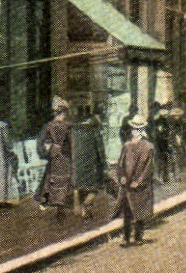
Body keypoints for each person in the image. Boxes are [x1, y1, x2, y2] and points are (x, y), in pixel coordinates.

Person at [112, 114, 155, 246]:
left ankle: (138, 237)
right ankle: (125, 238)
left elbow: (149, 168)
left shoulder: (148, 147)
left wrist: (139, 181)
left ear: (142, 131)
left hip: (140, 185)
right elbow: (121, 164)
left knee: (139, 212)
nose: (135, 132)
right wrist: (122, 177)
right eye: (133, 129)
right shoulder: (127, 146)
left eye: (138, 129)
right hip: (127, 185)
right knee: (127, 213)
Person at [35, 97, 75, 215]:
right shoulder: (68, 127)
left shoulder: (48, 126)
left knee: (51, 177)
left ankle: (47, 200)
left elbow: (39, 143)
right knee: (65, 178)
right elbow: (73, 143)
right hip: (66, 156)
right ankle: (61, 202)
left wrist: (45, 153)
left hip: (53, 155)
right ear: (64, 112)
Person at [72, 102, 108, 217]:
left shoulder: (73, 132)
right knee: (95, 189)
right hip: (91, 166)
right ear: (90, 118)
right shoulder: (94, 132)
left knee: (79, 187)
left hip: (76, 165)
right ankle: (85, 207)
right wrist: (104, 166)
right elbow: (100, 152)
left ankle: (78, 203)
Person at [150, 103, 174, 184]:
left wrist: (165, 136)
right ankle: (157, 177)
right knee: (156, 160)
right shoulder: (151, 120)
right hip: (155, 143)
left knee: (164, 160)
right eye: (153, 109)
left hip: (162, 143)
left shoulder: (163, 120)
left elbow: (167, 130)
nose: (154, 111)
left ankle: (164, 177)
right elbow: (149, 131)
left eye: (156, 109)